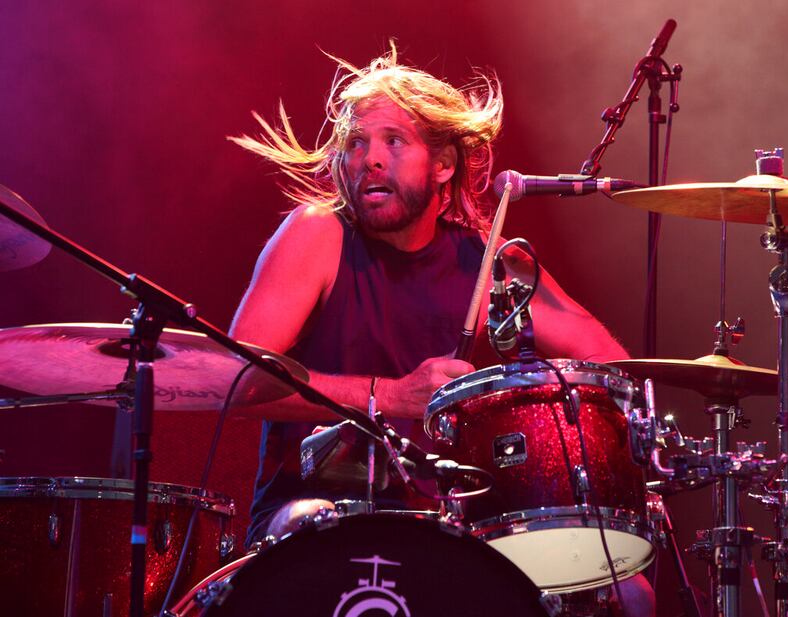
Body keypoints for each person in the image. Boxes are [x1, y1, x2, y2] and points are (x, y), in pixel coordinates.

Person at [228, 44, 653, 616]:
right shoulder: (318, 235)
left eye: (393, 142)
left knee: (628, 594)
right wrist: (392, 396)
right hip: (314, 515)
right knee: (310, 525)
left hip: (452, 527)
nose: (369, 160)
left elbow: (607, 366)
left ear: (444, 164)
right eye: (356, 143)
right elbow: (239, 380)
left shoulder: (488, 261)